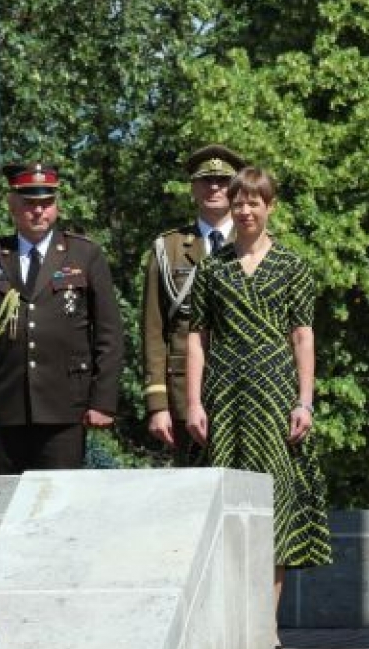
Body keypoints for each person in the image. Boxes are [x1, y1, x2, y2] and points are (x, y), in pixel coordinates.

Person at [183, 166, 331, 629]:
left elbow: (303, 336)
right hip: (224, 399)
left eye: (254, 202)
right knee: (226, 511)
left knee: (276, 507)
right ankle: (229, 626)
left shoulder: (292, 266)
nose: (245, 209)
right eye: (239, 202)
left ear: (270, 207)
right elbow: (196, 339)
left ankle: (265, 628)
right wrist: (193, 402)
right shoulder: (212, 267)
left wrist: (304, 401)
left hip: (274, 397)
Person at [0, 163, 125, 473]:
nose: (38, 211)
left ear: (56, 205)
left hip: (65, 407)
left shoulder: (84, 255)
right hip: (4, 408)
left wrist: (103, 401)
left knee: (57, 506)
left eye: (46, 203)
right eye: (29, 203)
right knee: (4, 508)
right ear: (12, 205)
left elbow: (108, 335)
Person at [141, 144, 246, 465]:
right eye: (205, 181)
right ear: (193, 188)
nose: (214, 187)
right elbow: (153, 329)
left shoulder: (254, 244)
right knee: (193, 491)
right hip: (184, 391)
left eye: (222, 181)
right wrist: (157, 404)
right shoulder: (168, 248)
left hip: (243, 389)